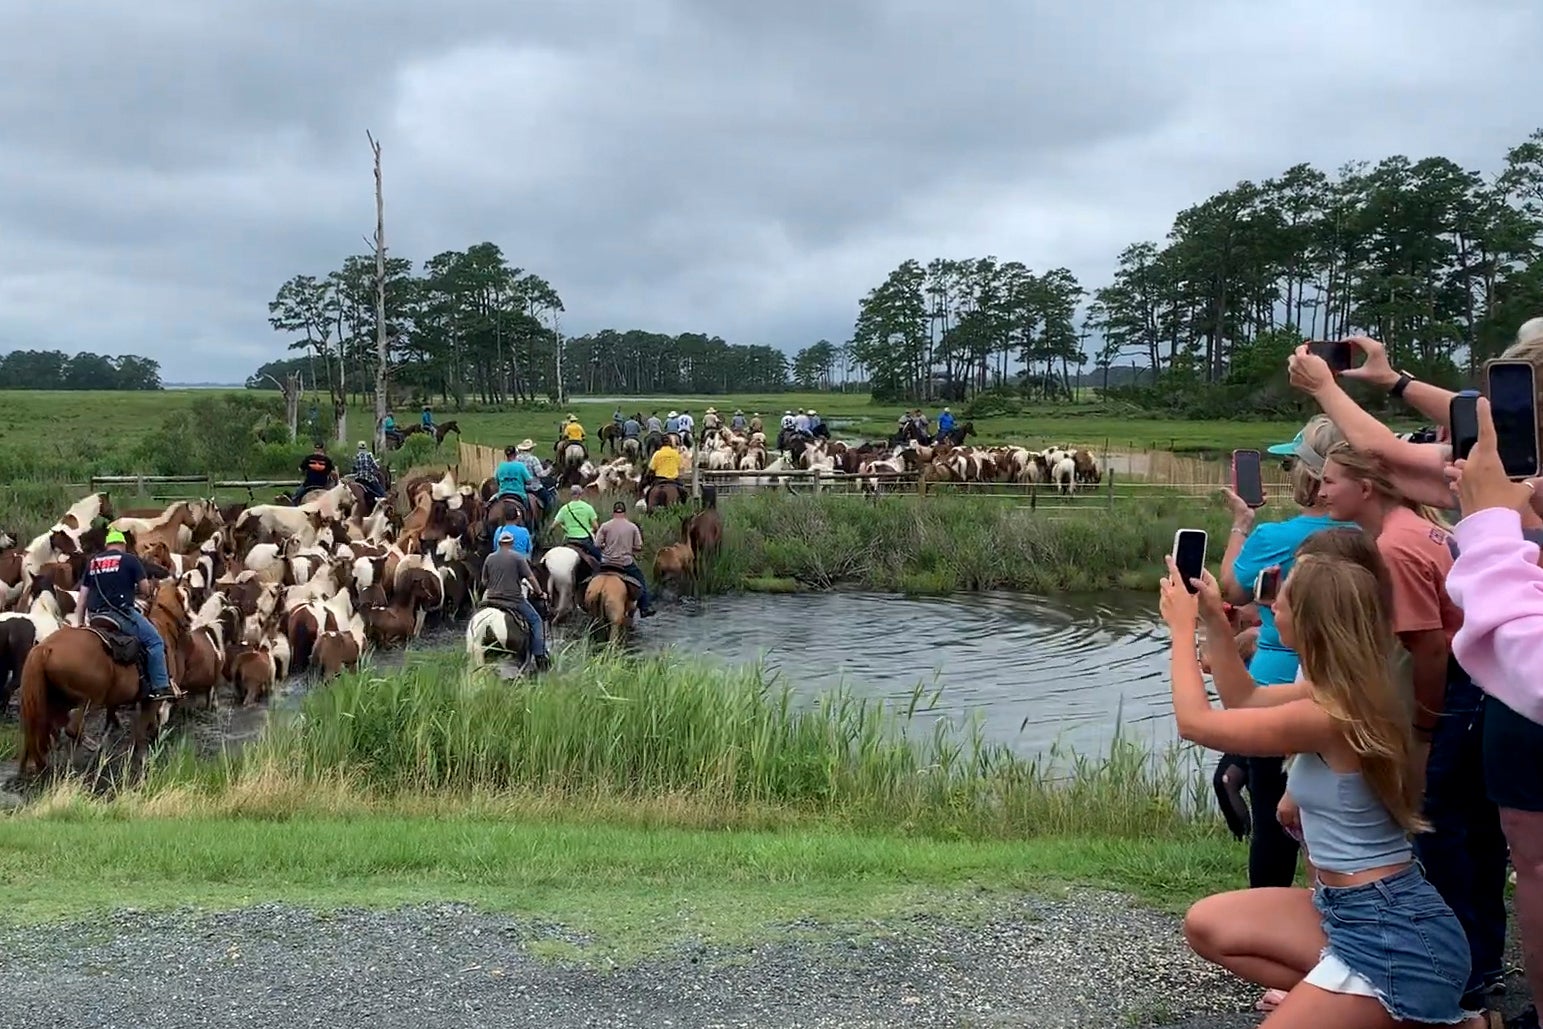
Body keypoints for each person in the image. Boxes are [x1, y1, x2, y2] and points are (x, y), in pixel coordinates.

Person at [1167, 553, 1495, 1028]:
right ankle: (1383, 1012)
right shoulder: (1346, 690)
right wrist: (1214, 622)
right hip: (1346, 910)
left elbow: (1196, 723)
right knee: (1207, 925)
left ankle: (1429, 1017)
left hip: (1396, 935)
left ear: (1313, 620)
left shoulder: (1333, 713)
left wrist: (1180, 630)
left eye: (1287, 597)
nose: (1273, 602)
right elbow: (1245, 699)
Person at [1319, 441, 1507, 1008]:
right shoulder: (1423, 528)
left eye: (1329, 480)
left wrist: (1424, 732)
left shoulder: (1393, 549)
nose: (1320, 490)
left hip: (1454, 694)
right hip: (1482, 686)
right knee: (1478, 832)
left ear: (1366, 487)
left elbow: (1427, 649)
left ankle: (1457, 973)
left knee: (1438, 828)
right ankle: (1485, 958)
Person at [1218, 415, 1354, 890]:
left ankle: (1268, 918)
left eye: (1294, 463)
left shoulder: (1274, 537)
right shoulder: (1370, 532)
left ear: (1310, 475)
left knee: (1273, 820)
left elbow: (1230, 591)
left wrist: (1242, 524)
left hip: (1278, 681)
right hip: (1352, 684)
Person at [80, 530, 177, 701]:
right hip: (120, 614)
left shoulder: (93, 563)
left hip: (95, 615)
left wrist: (80, 623)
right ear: (123, 545)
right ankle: (160, 687)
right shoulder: (129, 560)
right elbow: (145, 588)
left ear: (107, 546)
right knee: (154, 641)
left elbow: (82, 598)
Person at [480, 532, 549, 671]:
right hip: (513, 600)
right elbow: (530, 578)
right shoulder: (518, 557)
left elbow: (484, 581)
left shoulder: (490, 558)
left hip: (491, 599)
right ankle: (540, 656)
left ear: (499, 543)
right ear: (511, 543)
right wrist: (540, 593)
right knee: (536, 621)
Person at [594, 501, 655, 616]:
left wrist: (605, 546)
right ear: (625, 512)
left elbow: (597, 544)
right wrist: (631, 548)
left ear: (613, 512)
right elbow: (639, 546)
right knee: (642, 583)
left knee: (590, 577)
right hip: (625, 563)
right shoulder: (632, 527)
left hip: (606, 563)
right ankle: (645, 608)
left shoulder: (605, 526)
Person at [555, 485, 602, 563]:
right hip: (584, 540)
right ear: (581, 494)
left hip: (569, 539)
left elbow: (554, 525)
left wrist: (562, 528)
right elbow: (596, 526)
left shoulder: (564, 508)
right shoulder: (588, 507)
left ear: (571, 494)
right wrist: (592, 530)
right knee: (599, 557)